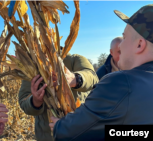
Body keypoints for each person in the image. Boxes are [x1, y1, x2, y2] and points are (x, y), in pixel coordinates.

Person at [49, 4, 153, 140]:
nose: (120, 45)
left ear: (139, 44)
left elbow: (72, 133)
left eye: (125, 37)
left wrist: (59, 126)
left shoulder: (121, 83)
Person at [18, 53, 99, 141]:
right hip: (47, 136)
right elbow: (24, 102)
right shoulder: (32, 67)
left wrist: (74, 79)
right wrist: (35, 101)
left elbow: (93, 78)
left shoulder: (74, 59)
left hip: (80, 131)